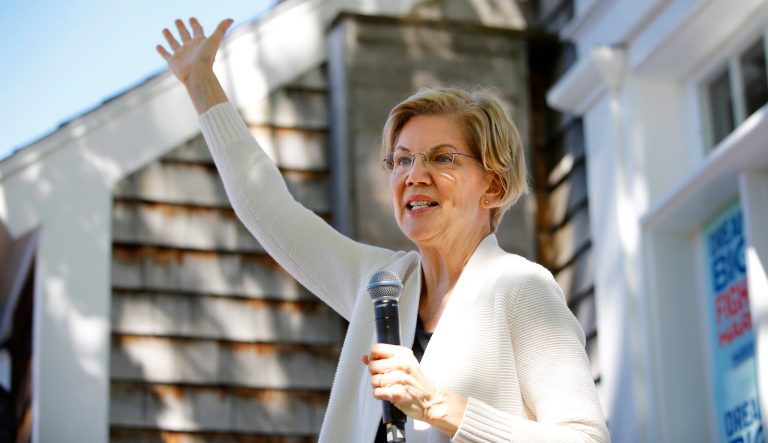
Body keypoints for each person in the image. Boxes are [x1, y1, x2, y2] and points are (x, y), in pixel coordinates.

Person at [156, 17, 610, 443]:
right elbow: (268, 208)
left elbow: (585, 438)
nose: (414, 174)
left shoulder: (521, 288)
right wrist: (201, 83)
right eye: (403, 159)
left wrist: (438, 405)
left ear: (492, 186)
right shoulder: (380, 285)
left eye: (442, 157)